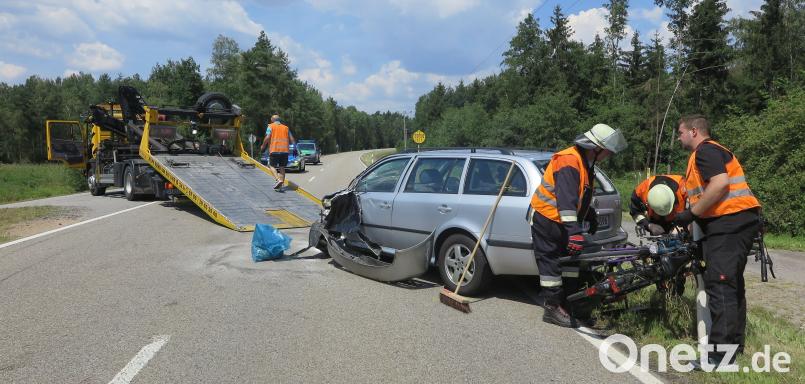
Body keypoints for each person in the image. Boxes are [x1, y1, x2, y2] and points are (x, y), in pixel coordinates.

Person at [674, 115, 761, 364]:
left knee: (720, 284)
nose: (678, 138)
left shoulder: (706, 151)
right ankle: (733, 348)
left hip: (730, 223)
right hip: (733, 222)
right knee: (731, 285)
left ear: (694, 131)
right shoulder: (708, 152)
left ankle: (719, 357)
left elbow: (720, 184)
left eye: (680, 133)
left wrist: (692, 213)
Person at [528, 124, 627, 327]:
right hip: (547, 219)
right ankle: (552, 307)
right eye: (607, 150)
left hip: (562, 221)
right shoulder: (569, 159)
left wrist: (588, 214)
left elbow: (580, 193)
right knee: (550, 265)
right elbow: (566, 201)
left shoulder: (585, 161)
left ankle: (569, 305)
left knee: (571, 265)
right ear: (596, 147)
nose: (609, 155)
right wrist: (574, 232)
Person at [260, 115, 295, 190]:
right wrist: (294, 148)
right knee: (282, 167)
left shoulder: (270, 126)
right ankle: (281, 186)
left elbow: (267, 137)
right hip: (285, 151)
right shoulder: (286, 128)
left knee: (271, 165)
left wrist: (263, 146)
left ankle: (278, 180)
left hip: (274, 150)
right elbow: (292, 139)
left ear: (272, 120)